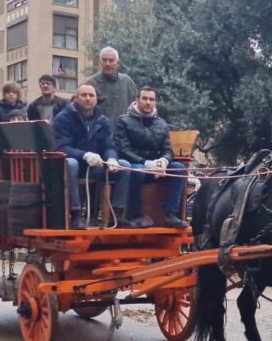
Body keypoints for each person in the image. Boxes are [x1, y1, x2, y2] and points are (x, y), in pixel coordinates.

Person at [51, 83, 133, 229]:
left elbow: (109, 145)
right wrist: (84, 155)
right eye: (84, 95)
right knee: (71, 164)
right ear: (76, 98)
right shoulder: (63, 119)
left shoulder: (102, 120)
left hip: (95, 167)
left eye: (91, 95)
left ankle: (118, 215)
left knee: (125, 166)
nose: (88, 98)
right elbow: (62, 147)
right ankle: (76, 216)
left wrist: (111, 158)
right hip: (68, 168)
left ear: (96, 99)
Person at [114, 86, 188, 229]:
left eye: (151, 99)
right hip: (134, 166)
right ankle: (135, 214)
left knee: (179, 168)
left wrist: (164, 161)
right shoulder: (123, 121)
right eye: (145, 98)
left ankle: (170, 214)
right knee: (138, 170)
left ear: (155, 102)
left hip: (156, 168)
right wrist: (145, 162)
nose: (148, 102)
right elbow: (123, 149)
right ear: (137, 100)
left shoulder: (162, 124)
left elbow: (168, 149)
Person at [86, 47, 137, 135]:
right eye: (104, 60)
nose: (107, 64)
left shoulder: (127, 82)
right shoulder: (91, 84)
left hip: (124, 136)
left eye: (111, 60)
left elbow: (137, 108)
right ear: (100, 63)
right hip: (100, 136)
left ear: (117, 63)